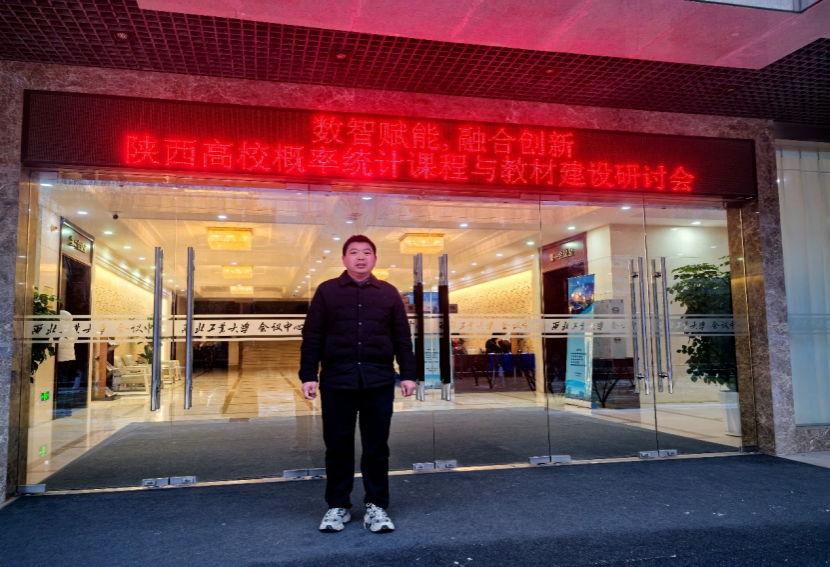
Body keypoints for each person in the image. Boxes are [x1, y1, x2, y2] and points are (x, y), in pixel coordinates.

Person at [300, 234, 416, 534]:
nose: (360, 257)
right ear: (344, 259)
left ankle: (376, 506)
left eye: (366, 252)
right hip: (337, 381)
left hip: (378, 381)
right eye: (354, 252)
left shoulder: (388, 293)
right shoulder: (327, 291)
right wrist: (309, 375)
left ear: (375, 259)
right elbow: (312, 335)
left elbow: (402, 337)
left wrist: (408, 373)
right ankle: (338, 506)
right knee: (338, 446)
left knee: (376, 447)